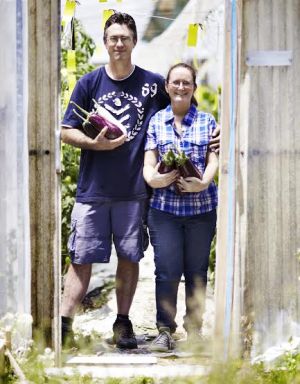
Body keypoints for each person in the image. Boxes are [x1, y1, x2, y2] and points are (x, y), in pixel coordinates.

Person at [61, 12, 170, 349]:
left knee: (129, 257)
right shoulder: (89, 83)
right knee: (81, 258)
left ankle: (122, 324)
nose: (118, 44)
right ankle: (63, 326)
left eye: (124, 38)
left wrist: (215, 133)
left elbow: (182, 109)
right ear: (105, 43)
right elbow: (66, 130)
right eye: (113, 38)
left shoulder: (152, 84)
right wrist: (93, 143)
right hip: (92, 190)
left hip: (134, 191)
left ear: (134, 42)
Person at [143, 63, 218, 352]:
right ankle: (165, 330)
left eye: (187, 83)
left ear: (194, 88)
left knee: (197, 270)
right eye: (176, 82)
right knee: (167, 270)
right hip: (165, 211)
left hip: (201, 209)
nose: (181, 87)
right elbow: (149, 161)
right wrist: (154, 178)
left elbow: (213, 159)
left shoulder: (207, 121)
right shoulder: (157, 122)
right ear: (167, 86)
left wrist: (203, 183)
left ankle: (195, 331)